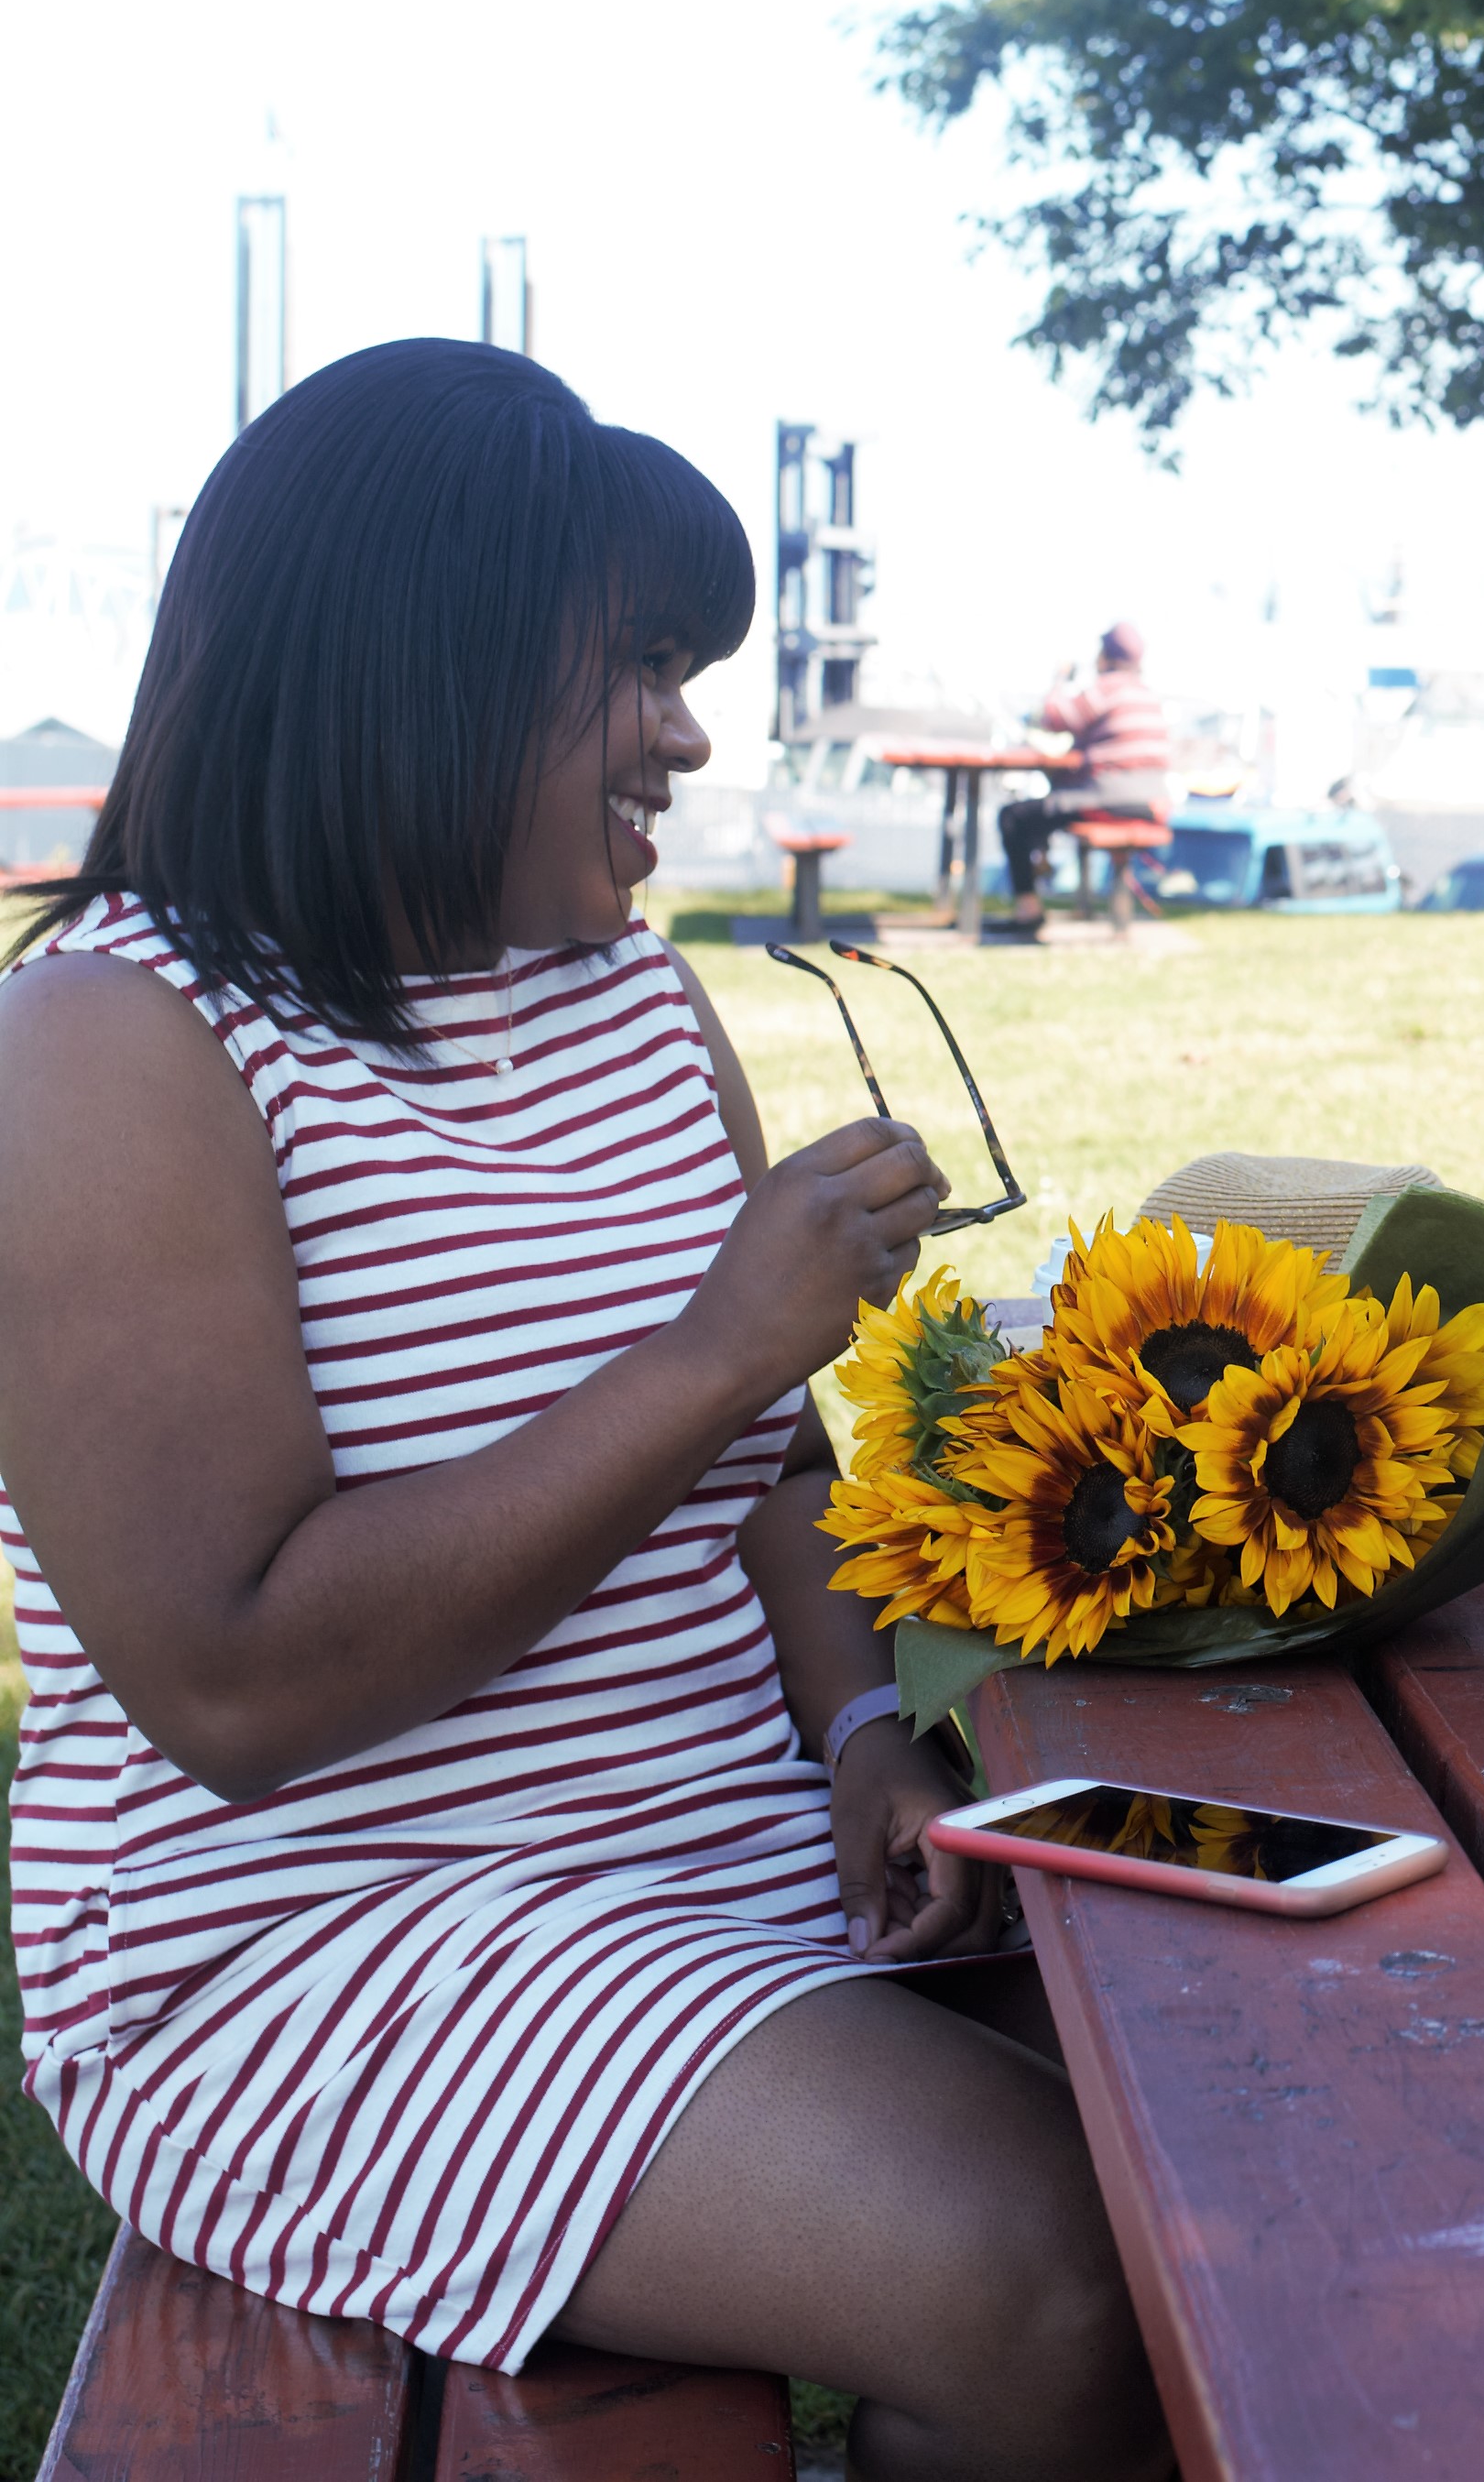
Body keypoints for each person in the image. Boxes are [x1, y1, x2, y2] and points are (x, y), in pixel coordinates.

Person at [0, 344, 1163, 2479]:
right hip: (318, 1937)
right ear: (419, 661)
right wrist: (722, 1337)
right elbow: (237, 1679)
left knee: (1262, 2104)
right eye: (638, 665)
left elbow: (765, 1476)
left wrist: (860, 1742)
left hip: (722, 1852)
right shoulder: (110, 1046)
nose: (689, 730)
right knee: (1063, 2268)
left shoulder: (629, 998)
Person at [999, 622, 1170, 930]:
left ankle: (1028, 910)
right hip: (1151, 803)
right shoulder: (1148, 695)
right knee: (1047, 811)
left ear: (1106, 656)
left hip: (1107, 797)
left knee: (1014, 818)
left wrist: (1059, 679)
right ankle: (1047, 872)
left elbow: (1054, 717)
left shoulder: (1109, 687)